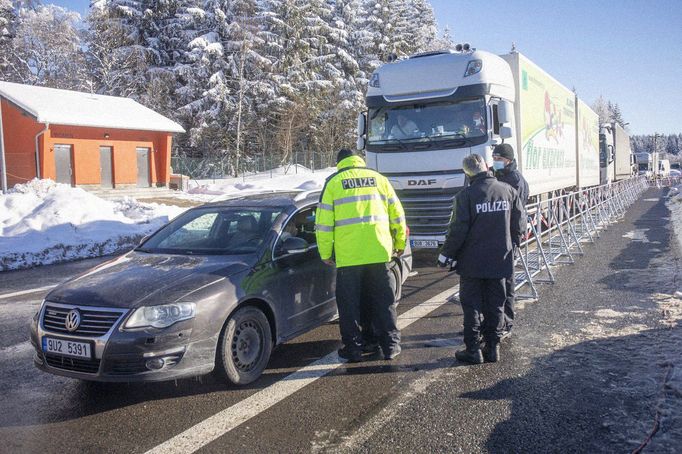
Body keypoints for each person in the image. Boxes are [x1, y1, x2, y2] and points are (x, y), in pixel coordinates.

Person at [316, 149, 407, 362]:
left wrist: (325, 253)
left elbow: (323, 225)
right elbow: (398, 215)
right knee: (384, 302)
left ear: (339, 163)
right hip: (379, 253)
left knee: (349, 307)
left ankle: (353, 350)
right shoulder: (380, 179)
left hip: (349, 258)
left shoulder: (334, 183)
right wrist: (400, 243)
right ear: (359, 161)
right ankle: (391, 346)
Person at [437, 154, 524, 364]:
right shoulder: (508, 191)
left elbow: (458, 231)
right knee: (496, 305)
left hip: (472, 263)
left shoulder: (465, 196)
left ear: (466, 173)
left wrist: (445, 255)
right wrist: (511, 245)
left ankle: (473, 350)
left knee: (472, 307)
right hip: (500, 261)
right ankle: (493, 349)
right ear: (486, 167)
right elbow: (519, 225)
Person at [491, 143, 529, 338]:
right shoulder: (499, 176)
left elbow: (517, 212)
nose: (495, 162)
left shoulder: (515, 180)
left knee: (507, 282)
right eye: (494, 158)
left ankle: (507, 322)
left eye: (498, 159)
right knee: (499, 282)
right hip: (498, 236)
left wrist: (516, 238)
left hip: (508, 237)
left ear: (508, 159)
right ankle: (499, 321)